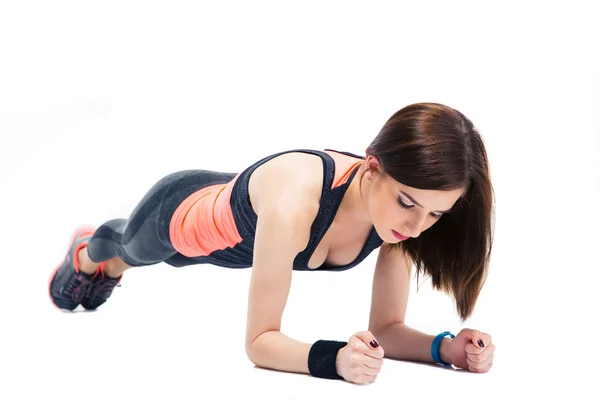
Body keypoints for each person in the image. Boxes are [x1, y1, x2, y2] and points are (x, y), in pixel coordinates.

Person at [48, 102, 496, 384]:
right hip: (180, 216)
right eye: (408, 203)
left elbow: (385, 331)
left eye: (436, 214)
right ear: (373, 167)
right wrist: (334, 360)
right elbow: (260, 342)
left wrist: (445, 348)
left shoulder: (398, 224)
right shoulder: (295, 202)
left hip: (240, 232)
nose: (418, 226)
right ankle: (87, 254)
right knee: (128, 252)